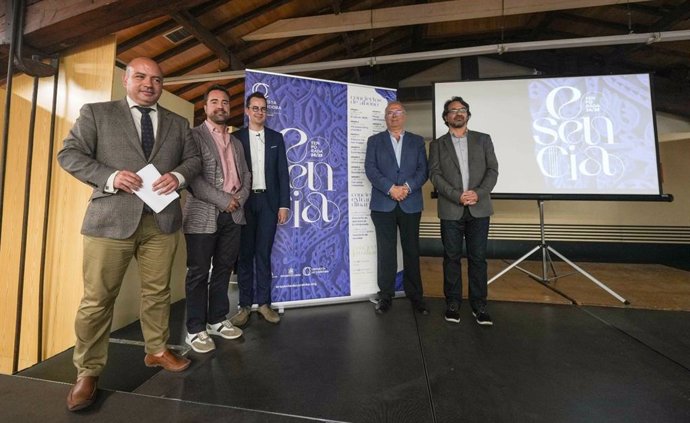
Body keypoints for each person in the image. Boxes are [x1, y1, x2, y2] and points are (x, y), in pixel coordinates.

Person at [57, 57, 201, 411]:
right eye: (141, 76)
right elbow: (69, 154)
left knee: (158, 292)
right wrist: (110, 176)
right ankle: (88, 371)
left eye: (156, 78)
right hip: (110, 219)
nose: (149, 84)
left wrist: (178, 177)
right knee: (97, 299)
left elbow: (194, 160)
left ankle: (156, 350)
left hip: (161, 220)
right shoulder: (97, 113)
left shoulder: (178, 122)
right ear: (127, 80)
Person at [182, 85, 250, 353]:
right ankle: (196, 328)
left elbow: (246, 177)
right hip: (202, 214)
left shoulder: (236, 142)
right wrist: (224, 200)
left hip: (234, 215)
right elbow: (192, 178)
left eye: (224, 102)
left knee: (223, 269)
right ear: (205, 107)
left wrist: (237, 201)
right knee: (198, 273)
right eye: (214, 102)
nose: (220, 106)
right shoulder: (193, 136)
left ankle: (218, 319)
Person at [428, 96, 498, 326]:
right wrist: (457, 195)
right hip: (451, 207)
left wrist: (478, 192)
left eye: (462, 109)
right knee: (451, 258)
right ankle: (453, 303)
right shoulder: (437, 145)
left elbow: (492, 170)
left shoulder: (483, 139)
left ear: (468, 114)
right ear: (446, 117)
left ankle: (479, 305)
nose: (458, 113)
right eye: (453, 110)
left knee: (478, 258)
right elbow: (435, 175)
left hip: (479, 206)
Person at [230, 92, 290, 325]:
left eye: (263, 109)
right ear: (247, 111)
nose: (259, 112)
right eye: (255, 108)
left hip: (268, 203)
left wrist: (283, 204)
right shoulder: (236, 138)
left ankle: (264, 304)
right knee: (244, 255)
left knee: (263, 254)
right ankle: (244, 306)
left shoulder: (276, 138)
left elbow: (282, 174)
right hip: (244, 203)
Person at [364, 101, 429, 315]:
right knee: (386, 252)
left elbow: (423, 170)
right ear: (385, 117)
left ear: (405, 115)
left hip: (411, 204)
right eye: (390, 113)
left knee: (412, 250)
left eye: (398, 112)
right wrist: (391, 188)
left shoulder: (417, 141)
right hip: (383, 204)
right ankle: (385, 296)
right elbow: (370, 169)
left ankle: (416, 296)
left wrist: (407, 188)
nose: (394, 116)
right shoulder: (374, 141)